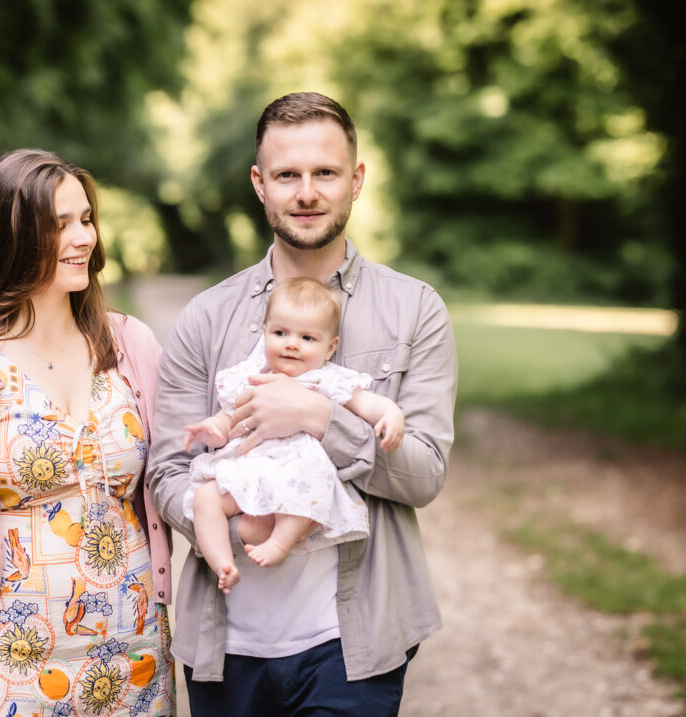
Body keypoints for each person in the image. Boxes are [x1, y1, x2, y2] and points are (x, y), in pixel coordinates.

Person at [148, 92, 458, 715]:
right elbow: (167, 472)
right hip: (228, 643)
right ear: (259, 184)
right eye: (288, 175)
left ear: (356, 180)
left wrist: (320, 419)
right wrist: (243, 520)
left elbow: (423, 475)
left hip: (352, 646)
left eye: (326, 172)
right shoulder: (206, 317)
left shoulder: (414, 310)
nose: (307, 193)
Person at [0, 149, 175, 717]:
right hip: (3, 661)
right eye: (59, 225)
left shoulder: (131, 344)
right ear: (9, 239)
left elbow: (179, 478)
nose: (84, 238)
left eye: (86, 219)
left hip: (134, 657)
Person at [182, 277, 405, 593]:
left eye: (307, 337)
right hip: (251, 468)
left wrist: (391, 414)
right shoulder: (250, 378)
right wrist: (213, 429)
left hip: (298, 469)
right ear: (265, 333)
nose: (291, 344)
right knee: (206, 497)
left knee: (304, 489)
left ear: (330, 347)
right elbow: (230, 420)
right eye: (280, 333)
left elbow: (369, 403)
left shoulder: (325, 380)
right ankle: (221, 563)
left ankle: (280, 542)